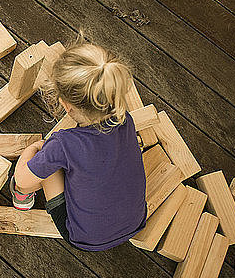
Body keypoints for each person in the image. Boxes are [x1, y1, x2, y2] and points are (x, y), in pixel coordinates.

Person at [11, 40, 147, 251]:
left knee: (43, 165)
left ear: (65, 105)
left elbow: (24, 178)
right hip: (135, 222)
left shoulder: (63, 144)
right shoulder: (124, 119)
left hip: (85, 238)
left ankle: (21, 198)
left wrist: (34, 149)